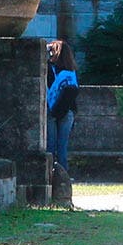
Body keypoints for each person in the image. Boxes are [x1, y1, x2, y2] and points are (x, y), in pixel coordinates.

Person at [45, 39, 80, 179]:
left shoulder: (48, 68)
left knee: (50, 145)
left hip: (51, 109)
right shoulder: (71, 71)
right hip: (68, 110)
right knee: (62, 145)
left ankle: (49, 175)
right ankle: (63, 176)